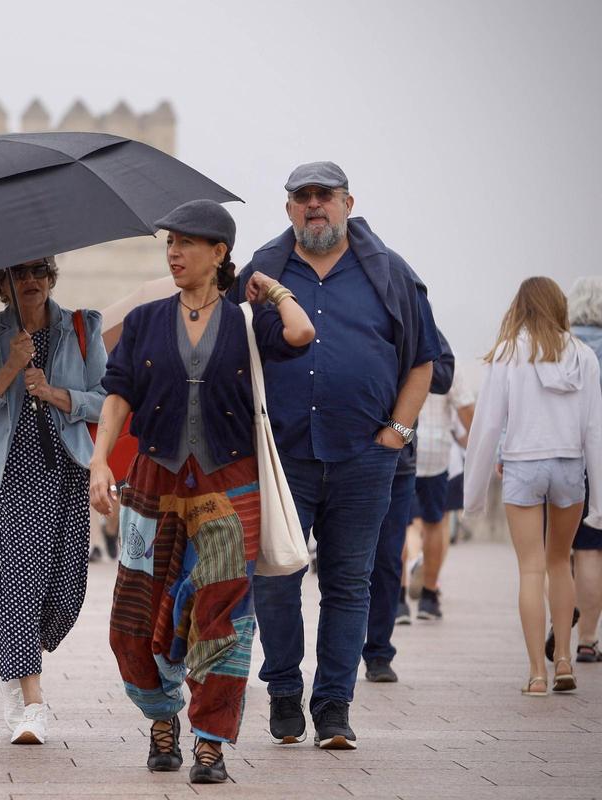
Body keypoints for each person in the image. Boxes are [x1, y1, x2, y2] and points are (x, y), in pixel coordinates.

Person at [92, 199, 313, 783]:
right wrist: (98, 463)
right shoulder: (144, 321)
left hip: (229, 486)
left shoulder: (248, 318)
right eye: (169, 243)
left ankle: (210, 743)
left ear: (218, 254)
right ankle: (162, 720)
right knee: (135, 619)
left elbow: (302, 333)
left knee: (224, 614)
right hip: (151, 486)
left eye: (187, 243)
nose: (173, 253)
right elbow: (117, 394)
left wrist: (273, 290)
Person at [233, 162, 439, 749]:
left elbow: (422, 360)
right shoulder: (262, 273)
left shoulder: (389, 274)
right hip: (281, 459)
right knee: (275, 578)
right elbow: (228, 347)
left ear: (349, 202)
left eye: (325, 195)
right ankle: (281, 692)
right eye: (302, 197)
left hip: (363, 457)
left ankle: (333, 709)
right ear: (289, 208)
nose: (314, 205)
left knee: (349, 583)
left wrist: (396, 432)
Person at [0, 256, 106, 746]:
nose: (32, 281)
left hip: (61, 473)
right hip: (0, 478)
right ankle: (32, 701)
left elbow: (107, 398)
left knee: (61, 593)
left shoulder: (81, 327)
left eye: (40, 270)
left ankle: (13, 663)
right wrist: (9, 370)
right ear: (3, 281)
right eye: (19, 273)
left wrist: (58, 393)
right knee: (12, 583)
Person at [465, 277, 601, 696]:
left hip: (523, 465)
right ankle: (563, 657)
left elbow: (488, 425)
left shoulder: (508, 352)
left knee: (531, 567)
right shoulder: (582, 355)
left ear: (520, 308)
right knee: (561, 562)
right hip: (569, 466)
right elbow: (594, 429)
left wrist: (472, 495)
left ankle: (535, 674)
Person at [362, 330, 454, 684]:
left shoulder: (406, 295)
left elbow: (442, 374)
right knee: (333, 563)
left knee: (387, 556)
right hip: (325, 453)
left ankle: (379, 652)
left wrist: (397, 430)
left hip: (394, 458)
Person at [407, 361, 475, 621]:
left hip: (402, 442)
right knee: (437, 522)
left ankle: (400, 597)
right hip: (438, 450)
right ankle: (429, 596)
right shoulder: (449, 357)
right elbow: (465, 408)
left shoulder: (398, 342)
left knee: (404, 523)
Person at [569, 277, 602, 663]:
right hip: (598, 461)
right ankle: (588, 640)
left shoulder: (559, 346)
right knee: (592, 552)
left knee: (556, 555)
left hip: (560, 455)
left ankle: (559, 625)